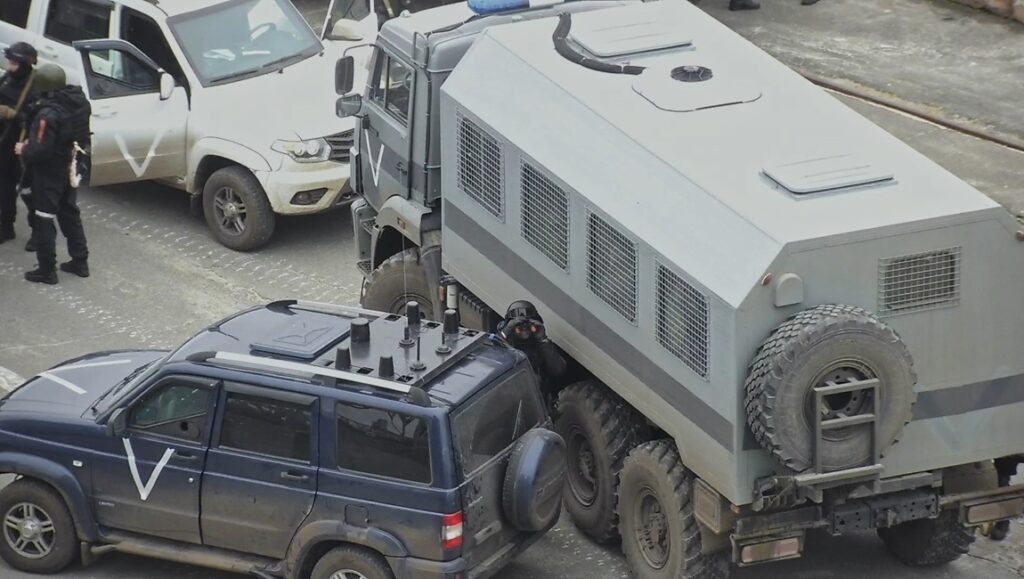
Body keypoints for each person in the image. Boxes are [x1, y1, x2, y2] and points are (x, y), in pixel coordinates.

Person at [15, 64, 91, 285]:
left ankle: (46, 269)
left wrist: (23, 150)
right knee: (69, 210)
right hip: (72, 164)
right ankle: (80, 261)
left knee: (44, 217)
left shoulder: (47, 114)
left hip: (49, 170)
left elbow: (40, 150)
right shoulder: (78, 102)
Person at [0, 42, 37, 244]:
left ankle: (38, 233)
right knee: (4, 188)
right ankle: (6, 226)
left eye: (14, 64)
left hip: (23, 146)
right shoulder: (8, 79)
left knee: (29, 191)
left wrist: (13, 114)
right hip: (5, 142)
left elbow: (38, 119)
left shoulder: (34, 86)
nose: (9, 67)